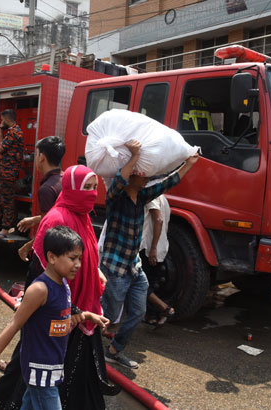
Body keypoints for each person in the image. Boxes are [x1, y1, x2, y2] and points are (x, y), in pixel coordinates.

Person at [0, 165, 116, 410]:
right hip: (57, 312)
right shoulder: (57, 218)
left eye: (94, 188)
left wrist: (94, 271)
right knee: (37, 369)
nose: (91, 194)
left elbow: (83, 253)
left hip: (75, 310)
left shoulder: (82, 215)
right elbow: (41, 269)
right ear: (71, 188)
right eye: (86, 188)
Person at [0, 226, 109, 410]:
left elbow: (59, 324)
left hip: (53, 368)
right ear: (52, 257)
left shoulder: (63, 285)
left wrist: (86, 316)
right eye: (72, 258)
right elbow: (14, 325)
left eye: (79, 258)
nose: (78, 264)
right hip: (41, 372)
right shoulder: (40, 290)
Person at [100, 140, 198, 369]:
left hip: (134, 267)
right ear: (132, 176)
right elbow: (118, 182)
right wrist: (134, 156)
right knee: (108, 317)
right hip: (114, 269)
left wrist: (189, 163)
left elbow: (168, 183)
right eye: (142, 174)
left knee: (138, 312)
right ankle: (88, 351)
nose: (146, 178)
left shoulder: (142, 197)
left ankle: (114, 351)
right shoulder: (115, 198)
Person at [16, 136, 65, 262]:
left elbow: (48, 228)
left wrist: (28, 246)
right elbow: (59, 214)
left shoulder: (46, 189)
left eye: (36, 154)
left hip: (55, 251)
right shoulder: (66, 179)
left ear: (42, 157)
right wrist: (35, 219)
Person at [0, 109, 24, 238]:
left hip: (7, 173)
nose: (2, 122)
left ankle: (5, 228)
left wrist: (0, 131)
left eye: (2, 120)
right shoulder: (15, 131)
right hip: (5, 173)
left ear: (6, 119)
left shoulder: (13, 132)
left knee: (6, 201)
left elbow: (1, 149)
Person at [139, 194, 175, 326]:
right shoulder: (163, 198)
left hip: (150, 249)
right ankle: (152, 316)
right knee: (149, 284)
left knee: (139, 284)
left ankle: (165, 308)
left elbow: (158, 220)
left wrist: (153, 247)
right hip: (160, 247)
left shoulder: (152, 197)